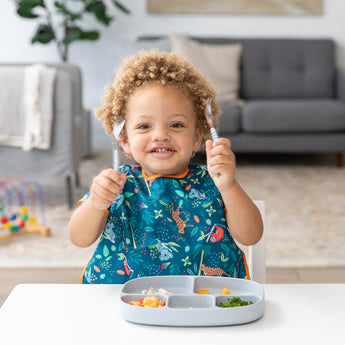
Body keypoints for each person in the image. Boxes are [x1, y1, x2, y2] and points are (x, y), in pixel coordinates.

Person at [69, 50, 263, 284]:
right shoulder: (115, 185)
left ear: (197, 137)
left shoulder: (215, 181)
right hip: (122, 305)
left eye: (176, 124)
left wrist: (229, 185)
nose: (161, 135)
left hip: (206, 302)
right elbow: (79, 238)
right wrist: (97, 203)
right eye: (144, 126)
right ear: (125, 141)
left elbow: (251, 236)